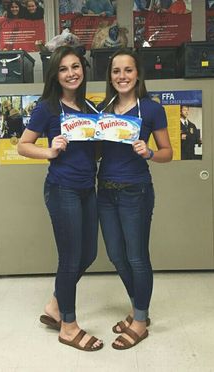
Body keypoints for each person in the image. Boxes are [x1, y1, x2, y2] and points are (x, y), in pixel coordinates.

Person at [17, 46, 103, 352]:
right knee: (69, 258)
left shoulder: (92, 110)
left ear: (83, 70)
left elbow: (95, 149)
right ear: (56, 74)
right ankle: (68, 326)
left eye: (76, 67)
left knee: (88, 253)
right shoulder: (47, 108)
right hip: (61, 188)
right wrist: (49, 151)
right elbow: (23, 145)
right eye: (64, 68)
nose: (71, 73)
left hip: (86, 188)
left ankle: (55, 304)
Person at [97, 48, 172, 350]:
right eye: (116, 71)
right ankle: (138, 306)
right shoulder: (102, 109)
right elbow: (99, 152)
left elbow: (167, 152)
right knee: (116, 255)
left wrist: (150, 152)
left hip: (135, 191)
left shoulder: (151, 109)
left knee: (137, 257)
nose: (122, 76)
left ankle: (140, 320)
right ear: (110, 76)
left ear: (137, 74)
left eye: (128, 70)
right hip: (105, 191)